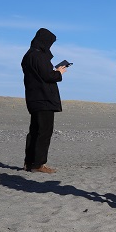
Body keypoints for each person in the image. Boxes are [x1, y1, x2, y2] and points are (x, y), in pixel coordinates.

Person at [21, 28, 69, 173]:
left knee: (35, 130)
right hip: (44, 99)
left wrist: (53, 71)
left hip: (34, 98)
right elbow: (48, 76)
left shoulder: (28, 55)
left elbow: (40, 74)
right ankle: (38, 164)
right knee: (44, 131)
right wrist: (59, 72)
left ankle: (29, 162)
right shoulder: (38, 56)